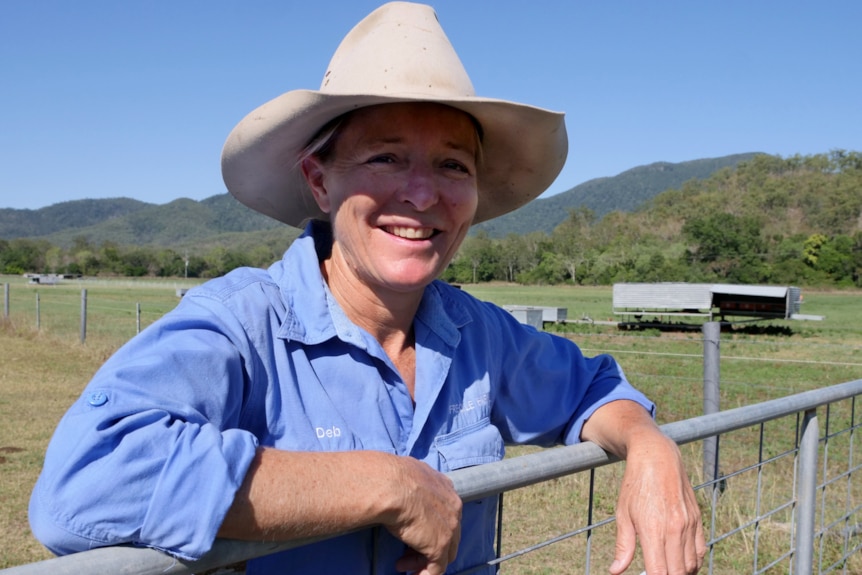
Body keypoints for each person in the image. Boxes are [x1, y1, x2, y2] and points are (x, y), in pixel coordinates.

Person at [29, 3, 705, 574]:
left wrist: (649, 447)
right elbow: (85, 484)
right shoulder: (242, 324)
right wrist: (384, 483)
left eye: (452, 164)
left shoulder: (479, 336)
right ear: (320, 180)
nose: (421, 194)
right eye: (385, 156)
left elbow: (592, 390)